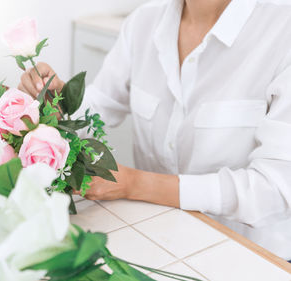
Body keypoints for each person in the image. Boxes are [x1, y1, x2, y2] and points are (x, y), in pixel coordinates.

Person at [18, 0, 291, 261]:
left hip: (251, 254)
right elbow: (101, 105)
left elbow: (273, 191)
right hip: (158, 234)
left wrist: (136, 184)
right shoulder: (144, 21)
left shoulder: (281, 30)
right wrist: (60, 102)